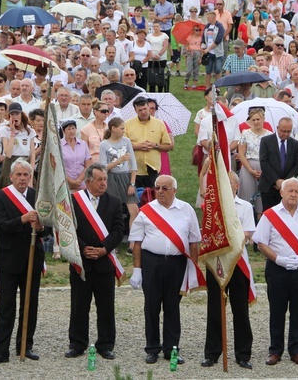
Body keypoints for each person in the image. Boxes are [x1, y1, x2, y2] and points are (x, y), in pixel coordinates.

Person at [128, 175, 204, 365]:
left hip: (176, 264)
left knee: (172, 307)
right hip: (151, 262)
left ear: (174, 191)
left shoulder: (186, 210)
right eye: (157, 188)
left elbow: (194, 242)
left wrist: (192, 269)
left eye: (164, 188)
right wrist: (137, 269)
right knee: (151, 307)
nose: (160, 192)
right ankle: (152, 348)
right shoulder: (146, 211)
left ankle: (172, 349)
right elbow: (136, 242)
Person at [253, 178, 298, 366]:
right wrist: (278, 259)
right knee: (276, 310)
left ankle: (296, 349)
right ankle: (275, 350)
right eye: (290, 191)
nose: (293, 194)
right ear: (282, 193)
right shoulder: (270, 215)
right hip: (277, 268)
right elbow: (261, 243)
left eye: (296, 191)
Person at [0, 159, 49, 366]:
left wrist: (39, 226)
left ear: (30, 177)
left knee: (30, 304)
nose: (22, 178)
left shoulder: (37, 196)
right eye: (19, 175)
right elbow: (1, 226)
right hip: (8, 259)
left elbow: (47, 229)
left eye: (26, 175)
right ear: (11, 176)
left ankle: (25, 345)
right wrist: (23, 219)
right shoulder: (0, 196)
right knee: (6, 306)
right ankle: (1, 350)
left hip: (32, 257)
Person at [65, 164, 125, 360]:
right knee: (79, 305)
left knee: (106, 306)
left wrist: (104, 249)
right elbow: (69, 228)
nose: (103, 183)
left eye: (105, 179)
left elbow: (118, 230)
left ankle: (106, 344)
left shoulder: (115, 202)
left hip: (104, 262)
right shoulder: (74, 201)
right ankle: (77, 343)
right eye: (99, 180)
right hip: (81, 262)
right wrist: (83, 248)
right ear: (88, 181)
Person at [201, 171, 256, 370]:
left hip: (237, 261)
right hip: (216, 261)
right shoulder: (211, 206)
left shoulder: (246, 206)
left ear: (236, 186)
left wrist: (226, 237)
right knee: (215, 309)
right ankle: (212, 353)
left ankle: (243, 354)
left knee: (240, 309)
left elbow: (248, 233)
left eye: (228, 183)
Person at [98, 117, 139, 228]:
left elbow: (134, 165)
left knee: (134, 211)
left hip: (126, 177)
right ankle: (113, 236)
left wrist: (132, 184)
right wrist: (119, 161)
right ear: (113, 128)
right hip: (112, 179)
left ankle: (133, 240)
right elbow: (104, 167)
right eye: (121, 128)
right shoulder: (104, 145)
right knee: (112, 212)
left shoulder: (126, 141)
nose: (123, 131)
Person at [125, 97, 173, 189]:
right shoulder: (127, 124)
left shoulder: (159, 124)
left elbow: (168, 146)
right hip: (134, 168)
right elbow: (122, 146)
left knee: (153, 196)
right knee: (135, 198)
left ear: (148, 108)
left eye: (145, 109)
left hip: (153, 167)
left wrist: (155, 145)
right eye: (140, 110)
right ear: (135, 110)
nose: (143, 112)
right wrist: (137, 146)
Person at [258, 117, 298, 213]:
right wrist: (276, 180)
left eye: (288, 132)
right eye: (283, 131)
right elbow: (264, 162)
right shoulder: (266, 141)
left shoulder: (294, 144)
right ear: (277, 128)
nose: (285, 134)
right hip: (269, 185)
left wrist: (285, 182)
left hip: (288, 188)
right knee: (269, 214)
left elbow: (297, 165)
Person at [237, 108, 271, 216]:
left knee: (262, 197)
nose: (256, 122)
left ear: (263, 119)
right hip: (248, 166)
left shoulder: (269, 135)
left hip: (264, 167)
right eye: (253, 120)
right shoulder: (245, 133)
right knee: (247, 196)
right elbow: (241, 154)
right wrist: (251, 170)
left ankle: (260, 220)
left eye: (258, 119)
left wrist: (265, 171)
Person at [0, 103, 36, 189]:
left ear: (21, 114)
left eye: (17, 114)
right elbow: (8, 154)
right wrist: (12, 133)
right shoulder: (5, 129)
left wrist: (31, 176)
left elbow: (32, 155)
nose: (15, 117)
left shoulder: (29, 130)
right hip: (11, 162)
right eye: (12, 114)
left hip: (25, 162)